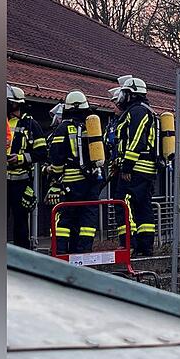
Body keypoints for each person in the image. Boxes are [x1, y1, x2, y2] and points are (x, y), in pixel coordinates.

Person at [45, 91, 104, 254]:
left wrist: (54, 173)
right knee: (87, 217)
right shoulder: (92, 127)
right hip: (92, 181)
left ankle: (61, 252)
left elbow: (56, 156)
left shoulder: (63, 128)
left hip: (71, 182)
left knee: (66, 217)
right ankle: (83, 251)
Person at [108, 75, 159, 256]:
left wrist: (127, 166)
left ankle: (130, 243)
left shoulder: (137, 111)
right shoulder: (139, 110)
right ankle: (144, 247)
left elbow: (137, 139)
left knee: (123, 202)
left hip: (136, 168)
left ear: (131, 94)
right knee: (143, 206)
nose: (121, 98)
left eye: (124, 94)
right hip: (142, 168)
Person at [6, 84, 48, 250]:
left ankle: (21, 257)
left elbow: (42, 153)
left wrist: (21, 158)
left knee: (20, 222)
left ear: (13, 103)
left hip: (21, 182)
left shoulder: (31, 125)